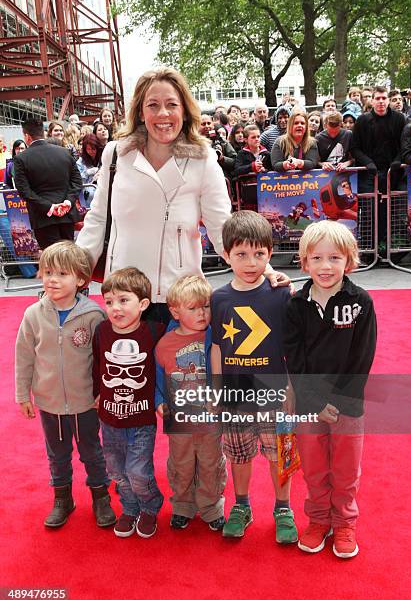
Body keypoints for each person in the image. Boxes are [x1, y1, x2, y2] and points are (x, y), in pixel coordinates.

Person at [76, 67, 290, 324]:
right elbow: (98, 220)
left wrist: (262, 269)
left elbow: (221, 226)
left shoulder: (203, 159)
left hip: (181, 300)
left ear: (184, 111)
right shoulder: (115, 154)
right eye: (153, 105)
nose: (163, 114)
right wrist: (72, 272)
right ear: (141, 113)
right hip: (125, 297)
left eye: (171, 104)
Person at [284, 221, 377, 558]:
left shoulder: (361, 303)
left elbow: (361, 359)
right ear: (304, 262)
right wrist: (314, 401)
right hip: (310, 405)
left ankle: (344, 522)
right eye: (317, 258)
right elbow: (294, 359)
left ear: (349, 261)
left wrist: (337, 402)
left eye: (335, 258)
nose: (325, 266)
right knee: (313, 466)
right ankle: (319, 519)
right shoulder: (296, 306)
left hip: (348, 405)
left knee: (346, 468)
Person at [15, 241, 116, 529]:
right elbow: (23, 357)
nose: (52, 279)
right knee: (56, 454)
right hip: (49, 402)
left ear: (81, 279)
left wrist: (102, 394)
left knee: (92, 452)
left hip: (85, 401)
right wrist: (23, 394)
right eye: (47, 272)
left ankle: (100, 497)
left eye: (61, 273)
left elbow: (103, 361)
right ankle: (62, 498)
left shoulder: (94, 316)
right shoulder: (33, 315)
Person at [211, 211, 298, 543]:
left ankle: (283, 507)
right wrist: (217, 392)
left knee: (281, 453)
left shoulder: (280, 294)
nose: (251, 262)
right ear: (226, 254)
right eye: (241, 254)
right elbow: (217, 348)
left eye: (259, 254)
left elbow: (291, 344)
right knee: (238, 452)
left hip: (274, 392)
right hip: (235, 395)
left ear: (270, 254)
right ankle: (242, 505)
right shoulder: (218, 299)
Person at [93, 267, 165, 538]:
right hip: (109, 420)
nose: (115, 308)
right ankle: (130, 507)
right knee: (117, 471)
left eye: (124, 300)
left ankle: (149, 506)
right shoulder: (101, 331)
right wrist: (96, 393)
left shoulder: (154, 331)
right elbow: (97, 365)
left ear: (143, 304)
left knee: (138, 471)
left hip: (141, 421)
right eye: (109, 301)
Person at [155, 275, 227, 531]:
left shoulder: (215, 337)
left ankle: (211, 507)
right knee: (181, 464)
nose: (202, 313)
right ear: (175, 311)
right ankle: (183, 505)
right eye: (193, 308)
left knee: (210, 463)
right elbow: (157, 377)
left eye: (206, 306)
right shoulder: (165, 344)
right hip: (180, 418)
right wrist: (159, 401)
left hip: (210, 416)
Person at [351, 85, 406, 249]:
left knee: (393, 213)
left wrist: (397, 161)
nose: (381, 102)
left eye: (384, 98)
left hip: (393, 173)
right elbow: (354, 148)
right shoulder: (362, 120)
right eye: (377, 98)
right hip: (369, 174)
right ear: (372, 100)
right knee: (369, 212)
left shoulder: (399, 119)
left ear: (388, 100)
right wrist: (368, 163)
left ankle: (391, 248)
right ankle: (369, 249)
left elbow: (406, 146)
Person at [14, 118, 82, 249]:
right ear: (44, 133)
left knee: (52, 261)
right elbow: (77, 181)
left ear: (27, 136)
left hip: (43, 217)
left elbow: (24, 191)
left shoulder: (21, 158)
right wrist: (68, 202)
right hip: (66, 214)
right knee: (68, 257)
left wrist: (49, 207)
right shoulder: (64, 153)